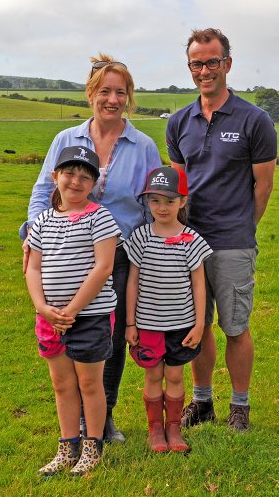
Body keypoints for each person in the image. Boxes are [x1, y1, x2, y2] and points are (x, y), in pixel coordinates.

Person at [21, 54, 162, 443]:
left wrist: (150, 257)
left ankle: (104, 415)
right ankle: (76, 417)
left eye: (121, 92)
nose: (112, 99)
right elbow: (40, 192)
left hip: (116, 258)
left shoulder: (144, 145)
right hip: (64, 255)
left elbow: (152, 205)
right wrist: (34, 238)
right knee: (65, 326)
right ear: (90, 94)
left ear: (129, 98)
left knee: (110, 338)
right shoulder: (65, 140)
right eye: (105, 91)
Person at [165, 28, 277, 431]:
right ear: (190, 67)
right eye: (197, 63)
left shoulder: (255, 120)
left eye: (213, 61)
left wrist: (244, 228)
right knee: (197, 325)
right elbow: (178, 187)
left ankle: (240, 407)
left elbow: (263, 185)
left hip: (232, 242)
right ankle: (203, 401)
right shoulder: (178, 122)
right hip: (189, 241)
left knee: (235, 326)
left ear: (227, 64)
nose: (205, 70)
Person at [25, 146, 120, 475]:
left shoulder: (100, 217)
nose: (76, 181)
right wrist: (42, 307)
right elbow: (33, 268)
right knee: (62, 384)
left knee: (90, 384)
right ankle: (67, 447)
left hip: (90, 317)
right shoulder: (42, 222)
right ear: (54, 177)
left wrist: (73, 310)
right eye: (69, 173)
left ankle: (93, 447)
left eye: (85, 176)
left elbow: (104, 267)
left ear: (94, 183)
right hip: (49, 318)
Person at [123, 166, 212, 452]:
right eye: (155, 200)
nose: (162, 207)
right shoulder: (140, 237)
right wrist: (130, 323)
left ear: (183, 201)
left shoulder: (192, 240)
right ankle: (155, 431)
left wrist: (199, 324)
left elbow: (199, 284)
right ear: (147, 202)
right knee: (152, 376)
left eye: (170, 201)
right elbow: (132, 281)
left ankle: (174, 429)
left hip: (182, 325)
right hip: (147, 325)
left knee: (175, 376)